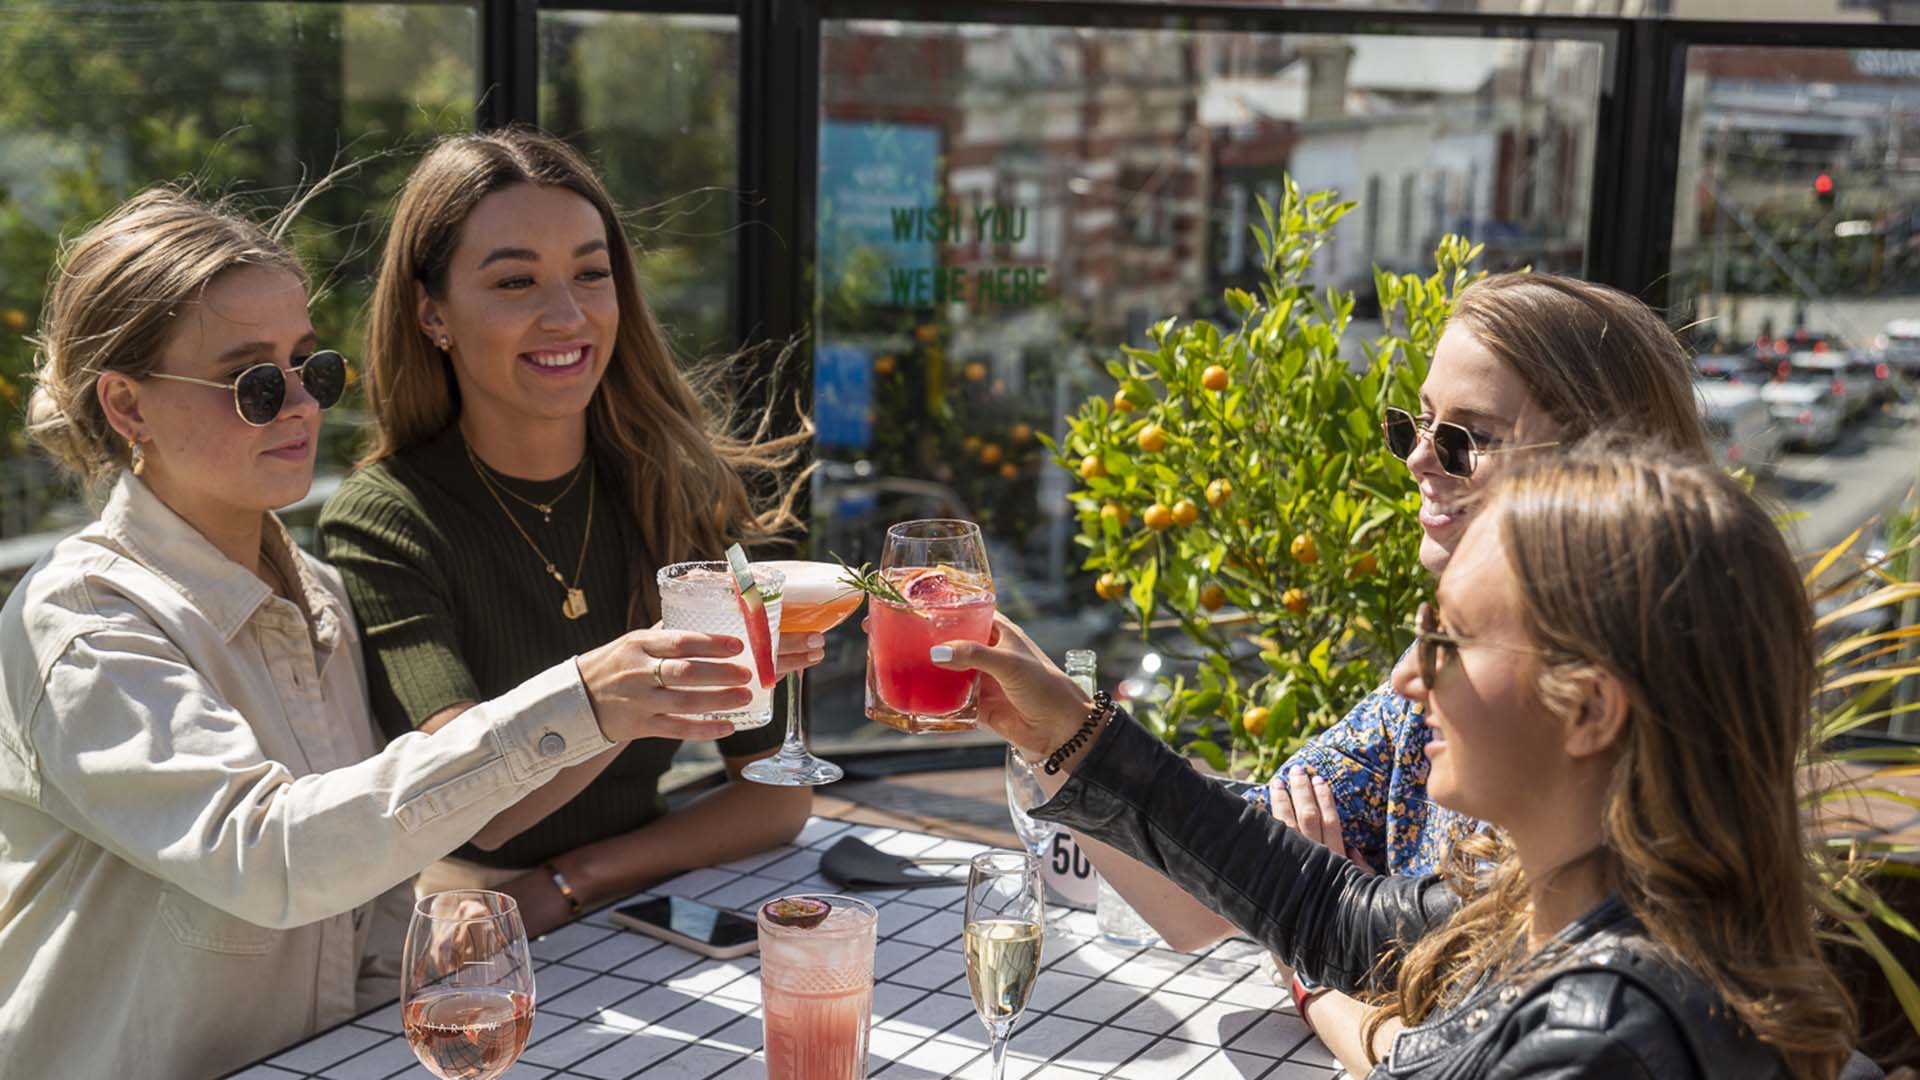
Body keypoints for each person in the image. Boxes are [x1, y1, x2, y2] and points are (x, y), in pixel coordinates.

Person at [0, 188, 759, 1078]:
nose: (298, 405)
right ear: (128, 407)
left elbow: (355, 879)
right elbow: (272, 858)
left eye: (312, 369)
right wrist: (583, 701)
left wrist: (443, 925)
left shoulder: (316, 596)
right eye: (253, 382)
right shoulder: (86, 620)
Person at [939, 439, 1873, 1080]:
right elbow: (1322, 906)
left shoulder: (1602, 1041)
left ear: (1588, 710)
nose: (1409, 679)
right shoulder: (1565, 899)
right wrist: (1062, 730)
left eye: (1453, 642)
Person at [1074, 272, 1715, 1056]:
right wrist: (1035, 723)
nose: (1417, 457)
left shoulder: (1611, 770)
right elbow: (1208, 894)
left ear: (1597, 469)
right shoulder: (1438, 686)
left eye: (1463, 437)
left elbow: (1448, 1050)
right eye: (1416, 423)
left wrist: (1315, 973)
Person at [319, 127, 817, 937]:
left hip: (630, 906)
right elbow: (475, 806)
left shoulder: (682, 491)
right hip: (466, 932)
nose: (567, 315)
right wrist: (624, 697)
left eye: (592, 274)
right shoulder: (385, 519)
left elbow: (776, 793)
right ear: (432, 313)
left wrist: (572, 882)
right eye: (516, 281)